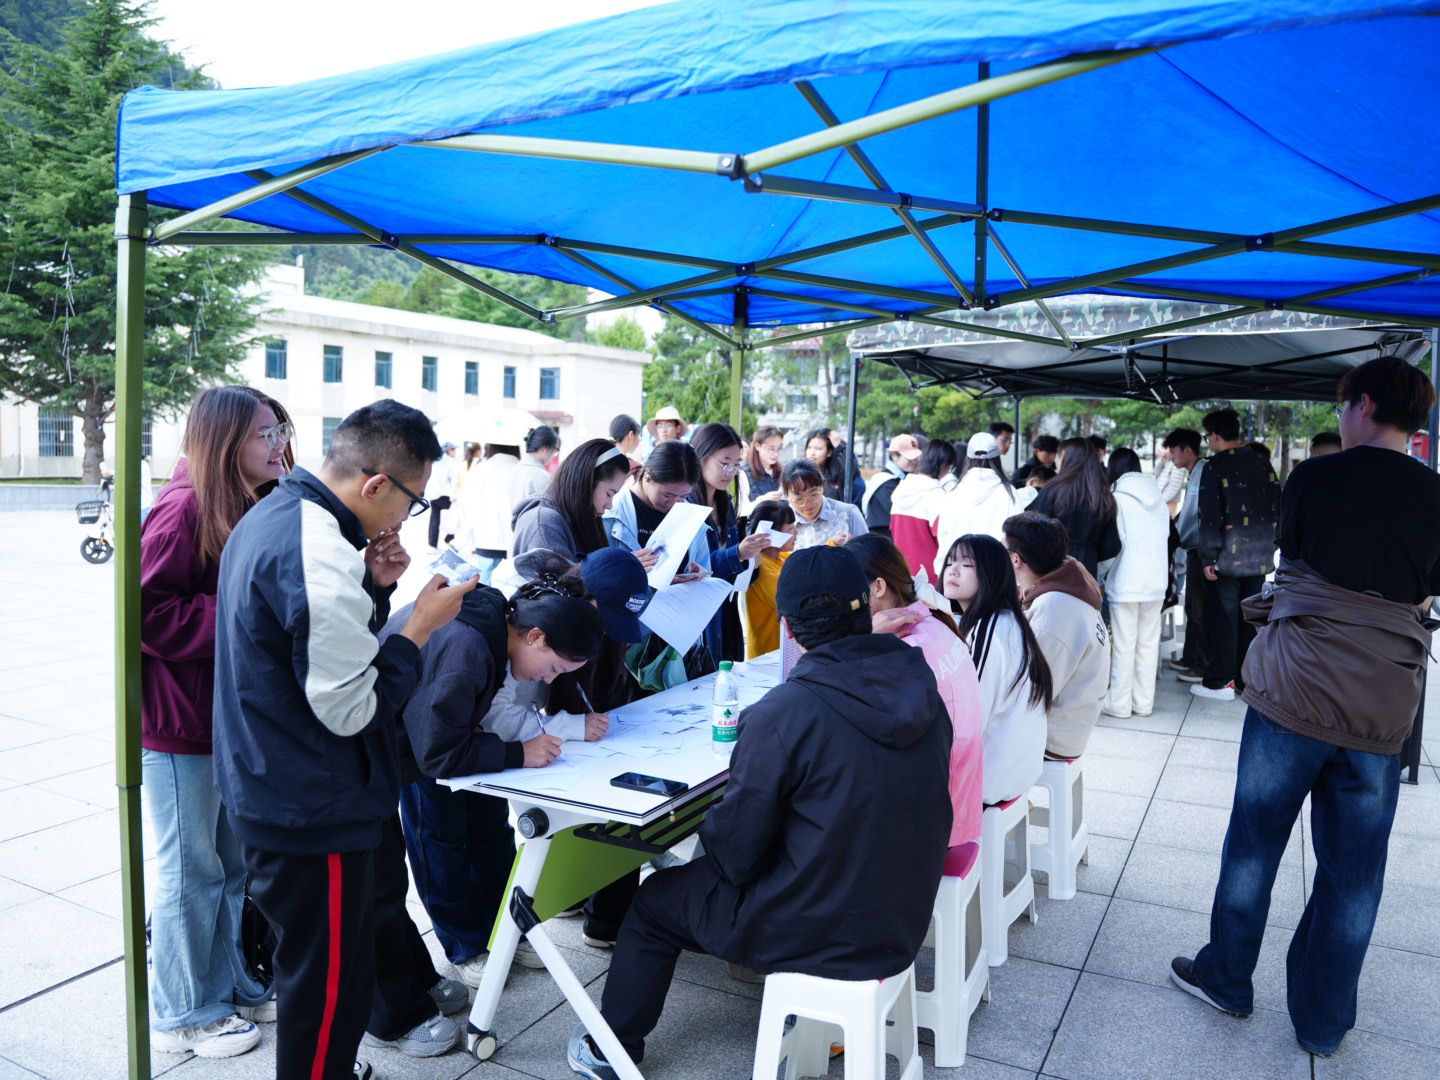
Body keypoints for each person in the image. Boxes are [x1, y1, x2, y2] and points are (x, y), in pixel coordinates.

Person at [566, 546, 953, 1078]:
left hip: (823, 925)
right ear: (867, 608)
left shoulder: (784, 712)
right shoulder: (917, 679)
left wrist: (709, 820)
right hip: (902, 908)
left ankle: (612, 1048)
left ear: (787, 627)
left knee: (656, 900)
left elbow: (736, 854)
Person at [1172, 356, 1440, 1057]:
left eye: (1345, 405)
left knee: (1254, 842)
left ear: (1365, 405)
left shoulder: (1315, 478)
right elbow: (1423, 596)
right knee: (1354, 873)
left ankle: (1228, 979)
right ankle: (1322, 1024)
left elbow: (1295, 565)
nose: (1342, 417)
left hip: (1295, 690)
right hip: (1380, 706)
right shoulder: (1435, 493)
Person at [212, 400, 477, 1080]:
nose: (406, 517)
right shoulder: (320, 551)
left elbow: (310, 649)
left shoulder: (279, 513)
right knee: (326, 993)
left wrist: (376, 587)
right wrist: (418, 627)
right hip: (310, 805)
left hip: (275, 783)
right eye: (413, 500)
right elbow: (353, 708)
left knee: (322, 971)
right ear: (376, 484)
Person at [141, 386, 292, 1059]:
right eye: (266, 433)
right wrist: (244, 609)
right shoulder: (184, 507)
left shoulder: (241, 499)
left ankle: (228, 984)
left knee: (230, 869)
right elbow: (147, 614)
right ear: (225, 440)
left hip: (221, 719)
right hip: (179, 725)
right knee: (192, 872)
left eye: (280, 430)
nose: (279, 444)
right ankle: (184, 1011)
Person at [387, 566, 606, 989]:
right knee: (440, 840)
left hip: (452, 743)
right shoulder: (467, 647)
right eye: (553, 667)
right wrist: (516, 753)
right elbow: (436, 752)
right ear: (535, 635)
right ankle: (466, 945)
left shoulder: (497, 630)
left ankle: (505, 931)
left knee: (491, 832)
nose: (548, 679)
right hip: (406, 753)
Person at [847, 533, 984, 847]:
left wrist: (866, 641)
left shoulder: (905, 650)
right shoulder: (934, 623)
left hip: (932, 827)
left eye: (851, 593)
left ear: (877, 587)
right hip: (960, 803)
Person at [939, 535, 1052, 805]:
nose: (953, 570)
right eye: (950, 562)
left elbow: (967, 719)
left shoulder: (987, 630)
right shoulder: (1007, 619)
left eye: (967, 564)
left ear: (991, 573)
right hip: (1016, 770)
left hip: (990, 779)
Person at [1003, 512, 1110, 760]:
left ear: (1016, 559)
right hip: (1066, 724)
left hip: (1054, 737)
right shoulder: (1068, 581)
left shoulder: (1054, 608)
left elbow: (1034, 691)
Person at [1194, 408, 1280, 701]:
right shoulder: (1263, 464)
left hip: (1226, 559)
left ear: (1215, 435)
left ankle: (1221, 681)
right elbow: (1277, 508)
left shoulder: (1214, 466)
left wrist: (1208, 557)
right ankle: (1246, 680)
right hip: (1259, 557)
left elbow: (1209, 516)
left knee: (1223, 619)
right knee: (1249, 619)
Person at [690, 423, 773, 660]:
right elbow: (692, 569)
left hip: (727, 615)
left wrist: (752, 562)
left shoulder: (726, 503)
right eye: (725, 462)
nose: (731, 471)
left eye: (736, 464)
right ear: (701, 456)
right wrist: (738, 554)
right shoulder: (684, 504)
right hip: (699, 624)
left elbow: (735, 578)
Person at [1102, 448, 1170, 719]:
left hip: (1126, 581)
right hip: (1156, 582)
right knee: (1148, 644)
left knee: (1123, 644)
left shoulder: (1117, 499)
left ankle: (1119, 704)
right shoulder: (1159, 498)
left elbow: (1114, 545)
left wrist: (1102, 573)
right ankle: (1143, 703)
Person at [511, 439, 633, 561]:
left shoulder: (575, 518)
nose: (610, 505)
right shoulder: (544, 524)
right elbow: (563, 574)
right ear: (587, 481)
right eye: (609, 494)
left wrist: (623, 564)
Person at [604, 440, 709, 579]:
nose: (674, 503)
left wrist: (700, 575)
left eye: (683, 496)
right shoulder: (610, 513)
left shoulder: (692, 518)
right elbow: (591, 579)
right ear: (648, 475)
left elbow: (705, 568)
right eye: (668, 495)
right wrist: (625, 569)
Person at [1028, 436, 1120, 577]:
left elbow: (1031, 527)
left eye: (1061, 456)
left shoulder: (1054, 489)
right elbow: (1112, 546)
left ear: (1069, 460)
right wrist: (1089, 552)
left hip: (1055, 565)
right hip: (1087, 569)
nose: (1058, 461)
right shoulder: (1103, 495)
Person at [934, 431, 1016, 576]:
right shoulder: (1009, 494)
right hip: (996, 574)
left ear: (968, 459)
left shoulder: (953, 493)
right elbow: (1016, 539)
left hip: (957, 574)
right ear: (996, 458)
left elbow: (944, 538)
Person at [1164, 428, 1210, 683]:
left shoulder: (1202, 470)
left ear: (1187, 450)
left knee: (1199, 608)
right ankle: (1190, 657)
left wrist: (1175, 536)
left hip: (1200, 549)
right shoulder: (1195, 471)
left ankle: (1200, 665)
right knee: (1192, 606)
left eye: (1173, 451)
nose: (1171, 456)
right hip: (1195, 549)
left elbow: (1192, 515)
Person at [455, 442, 520, 583]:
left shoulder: (482, 468)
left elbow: (470, 507)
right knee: (510, 588)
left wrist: (460, 540)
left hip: (486, 538)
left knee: (485, 588)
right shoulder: (521, 469)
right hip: (515, 542)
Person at [890, 438, 956, 575]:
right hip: (930, 578)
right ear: (944, 465)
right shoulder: (938, 498)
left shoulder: (899, 492)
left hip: (902, 574)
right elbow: (945, 542)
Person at [739, 502, 796, 659]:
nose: (796, 533)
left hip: (783, 652)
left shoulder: (782, 557)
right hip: (766, 656)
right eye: (790, 530)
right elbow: (790, 598)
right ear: (769, 534)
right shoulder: (760, 567)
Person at [783, 458, 867, 549]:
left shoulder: (849, 514)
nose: (807, 504)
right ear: (787, 495)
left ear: (822, 487)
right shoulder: (782, 521)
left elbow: (869, 552)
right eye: (799, 499)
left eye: (814, 494)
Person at [861, 433, 923, 537]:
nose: (914, 461)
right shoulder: (886, 483)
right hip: (883, 541)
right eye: (909, 458)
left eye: (915, 457)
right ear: (894, 456)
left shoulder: (900, 479)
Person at [802, 426, 864, 507]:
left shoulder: (838, 476)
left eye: (818, 448)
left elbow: (851, 471)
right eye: (809, 447)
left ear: (829, 453)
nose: (812, 453)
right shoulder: (802, 472)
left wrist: (840, 447)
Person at [738, 424, 784, 513]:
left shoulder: (782, 472)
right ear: (757, 446)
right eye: (771, 449)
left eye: (779, 449)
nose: (776, 454)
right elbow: (740, 511)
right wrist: (763, 500)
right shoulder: (743, 472)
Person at [509, 425, 560, 506]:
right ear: (545, 449)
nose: (553, 455)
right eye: (555, 451)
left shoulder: (515, 468)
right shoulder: (542, 476)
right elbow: (545, 508)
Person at [425, 441, 458, 549]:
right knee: (454, 516)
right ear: (449, 451)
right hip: (445, 495)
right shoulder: (451, 462)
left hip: (434, 494)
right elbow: (453, 480)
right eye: (454, 450)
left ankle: (432, 545)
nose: (455, 452)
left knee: (434, 520)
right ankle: (449, 539)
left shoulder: (435, 461)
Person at [1154, 444, 1188, 515]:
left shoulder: (1178, 464)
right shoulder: (1168, 461)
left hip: (1169, 503)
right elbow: (1157, 473)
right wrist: (1162, 460)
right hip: (1161, 500)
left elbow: (1173, 488)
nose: (1163, 450)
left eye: (1166, 448)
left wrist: (1160, 500)